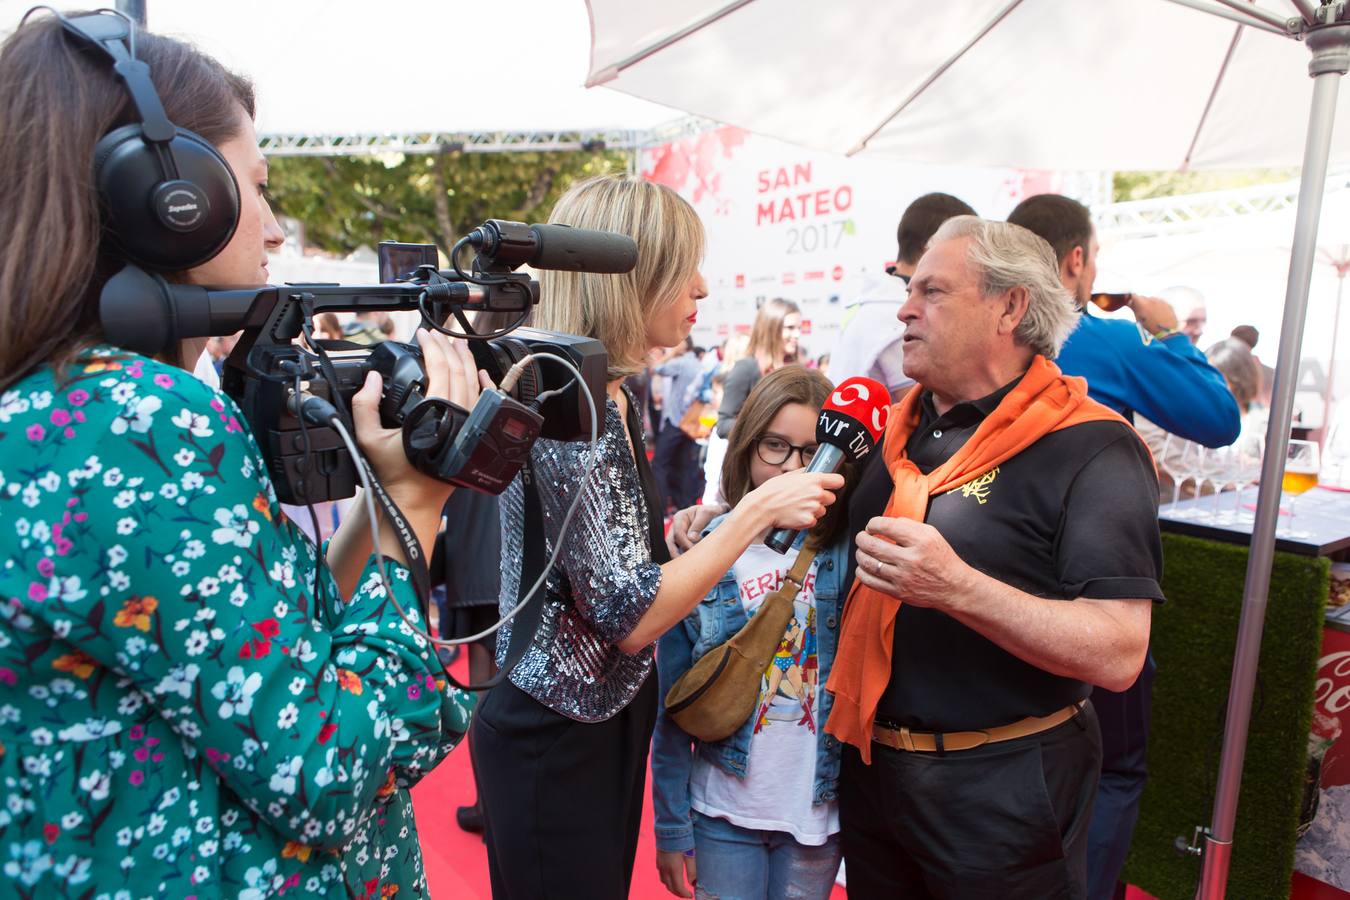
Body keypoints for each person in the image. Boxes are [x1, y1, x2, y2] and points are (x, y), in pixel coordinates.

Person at [0, 10, 479, 897]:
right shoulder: (140, 425)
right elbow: (325, 769)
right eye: (255, 188)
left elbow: (270, 646)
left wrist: (388, 500)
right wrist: (418, 506)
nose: (271, 228)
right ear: (168, 198)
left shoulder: (65, 409)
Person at [670, 217, 1161, 898]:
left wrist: (960, 588)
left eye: (932, 291)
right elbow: (812, 534)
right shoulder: (889, 425)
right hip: (873, 781)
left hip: (1004, 793)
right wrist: (719, 522)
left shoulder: (1093, 448)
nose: (904, 307)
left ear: (1009, 307)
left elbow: (1119, 651)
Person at [471, 174, 843, 900]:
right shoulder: (570, 391)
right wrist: (753, 515)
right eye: (686, 269)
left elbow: (598, 562)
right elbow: (631, 618)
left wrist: (672, 535)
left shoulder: (601, 384)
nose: (702, 287)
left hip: (586, 721)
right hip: (556, 732)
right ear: (631, 278)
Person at [1008, 193, 1238, 900]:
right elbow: (1217, 419)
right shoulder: (1101, 338)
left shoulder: (987, 330)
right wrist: (1170, 336)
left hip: (995, 576)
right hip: (1091, 587)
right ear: (1076, 260)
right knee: (1113, 768)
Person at [652, 367, 852, 900]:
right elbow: (672, 704)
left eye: (812, 452)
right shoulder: (708, 551)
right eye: (775, 446)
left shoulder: (846, 552)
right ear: (746, 448)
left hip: (815, 815)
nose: (793, 467)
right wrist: (672, 828)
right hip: (721, 809)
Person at [830, 192, 976, 396]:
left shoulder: (877, 300)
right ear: (933, 247)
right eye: (966, 249)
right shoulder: (900, 314)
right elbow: (916, 409)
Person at [716, 297, 801, 438]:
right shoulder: (746, 368)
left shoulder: (797, 370)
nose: (797, 335)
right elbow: (724, 425)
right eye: (790, 328)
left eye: (799, 328)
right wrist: (766, 431)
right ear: (771, 328)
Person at [653, 337, 707, 512]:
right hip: (690, 424)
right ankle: (684, 506)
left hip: (676, 421)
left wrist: (672, 354)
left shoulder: (682, 363)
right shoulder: (699, 364)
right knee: (684, 465)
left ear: (684, 344)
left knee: (659, 464)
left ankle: (660, 507)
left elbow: (657, 368)